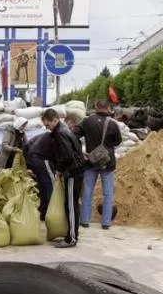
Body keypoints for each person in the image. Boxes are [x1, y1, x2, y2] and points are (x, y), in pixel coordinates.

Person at [41, 108, 85, 248]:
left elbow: (66, 156)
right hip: (75, 171)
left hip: (72, 172)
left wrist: (59, 169)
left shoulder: (60, 133)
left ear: (55, 120)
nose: (47, 128)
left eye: (48, 125)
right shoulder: (64, 130)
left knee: (71, 205)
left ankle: (71, 238)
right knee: (69, 204)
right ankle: (71, 234)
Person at [75, 100, 121, 229]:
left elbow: (74, 135)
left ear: (96, 107)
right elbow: (118, 141)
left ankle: (84, 220)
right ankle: (106, 223)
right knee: (108, 193)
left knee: (88, 191)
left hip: (91, 160)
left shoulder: (87, 121)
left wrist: (81, 152)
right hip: (108, 162)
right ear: (108, 108)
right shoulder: (113, 124)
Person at [25, 127, 55, 220]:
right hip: (42, 160)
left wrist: (28, 166)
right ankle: (51, 214)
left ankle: (43, 213)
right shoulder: (54, 137)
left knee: (41, 187)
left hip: (33, 159)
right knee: (51, 186)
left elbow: (26, 146)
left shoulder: (42, 136)